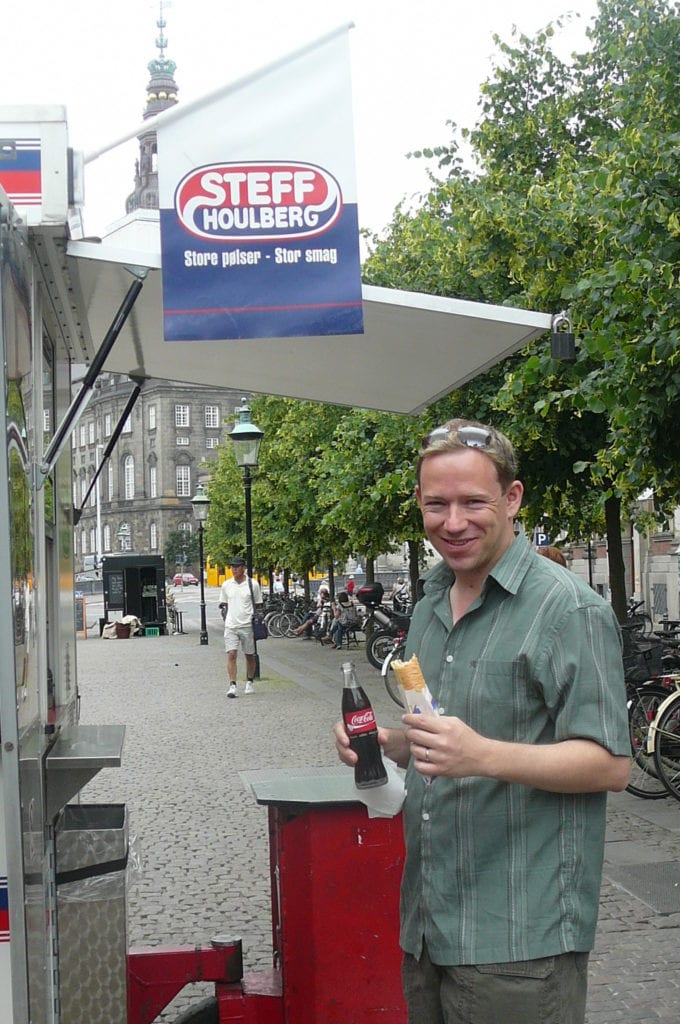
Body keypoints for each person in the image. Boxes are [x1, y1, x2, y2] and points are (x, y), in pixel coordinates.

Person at [334, 417, 630, 1024]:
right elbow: (443, 737)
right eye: (437, 504)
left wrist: (481, 756)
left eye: (474, 502)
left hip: (519, 942)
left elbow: (612, 764)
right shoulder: (428, 608)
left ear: (512, 498)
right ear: (418, 502)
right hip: (428, 927)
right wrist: (388, 744)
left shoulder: (568, 609)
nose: (454, 522)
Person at [219, 556, 262, 697]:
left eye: (237, 567)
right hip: (231, 625)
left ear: (243, 568)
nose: (234, 569)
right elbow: (224, 603)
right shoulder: (226, 585)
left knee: (249, 655)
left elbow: (258, 603)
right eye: (232, 567)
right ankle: (232, 684)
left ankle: (250, 681)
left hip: (247, 625)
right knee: (231, 654)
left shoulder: (252, 584)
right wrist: (226, 618)